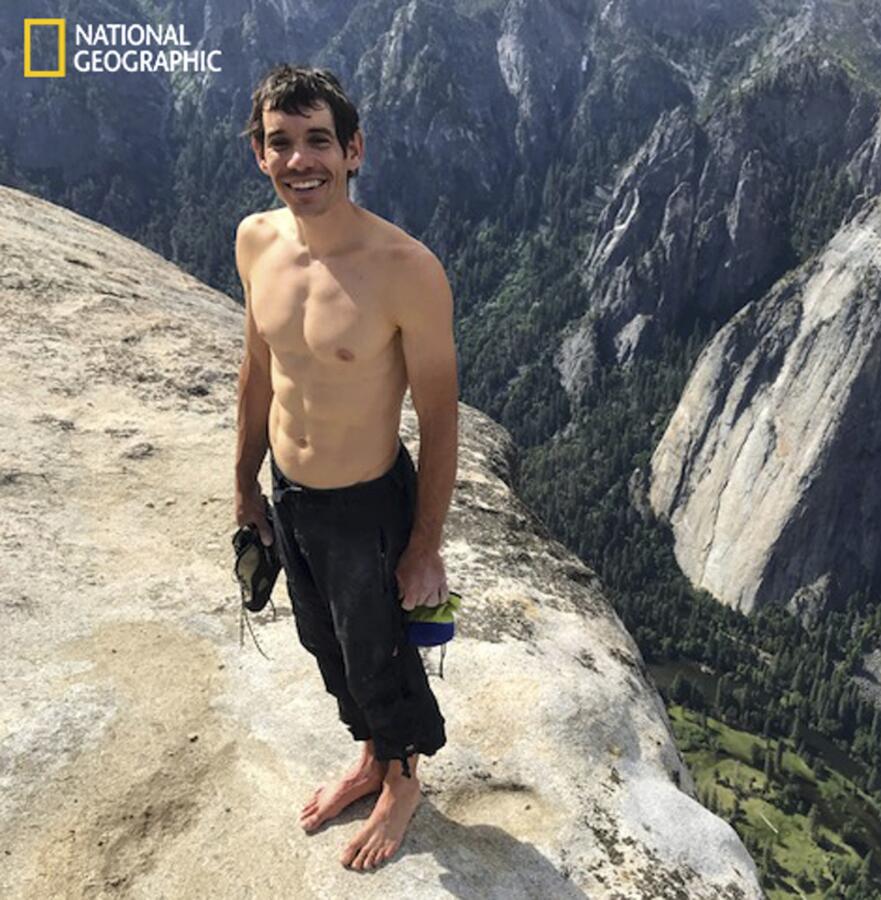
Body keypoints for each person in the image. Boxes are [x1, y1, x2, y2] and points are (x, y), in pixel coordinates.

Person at [233, 64, 459, 872]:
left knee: (381, 653)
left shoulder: (406, 269)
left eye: (318, 141)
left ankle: (402, 782)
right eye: (282, 143)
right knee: (325, 644)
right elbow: (258, 373)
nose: (301, 161)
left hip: (369, 505)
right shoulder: (255, 242)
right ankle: (370, 756)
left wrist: (424, 544)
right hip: (292, 500)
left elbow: (438, 415)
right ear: (259, 153)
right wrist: (244, 487)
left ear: (354, 149)